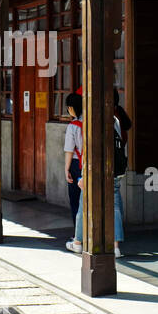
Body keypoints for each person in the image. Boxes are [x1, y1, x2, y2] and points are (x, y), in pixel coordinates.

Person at [68, 106, 125, 259]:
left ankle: (78, 242)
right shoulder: (115, 121)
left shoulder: (91, 123)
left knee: (83, 204)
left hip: (94, 173)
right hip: (113, 171)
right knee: (115, 207)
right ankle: (115, 246)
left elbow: (88, 151)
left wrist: (84, 176)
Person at [62, 93, 83, 235]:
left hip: (76, 165)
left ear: (71, 108)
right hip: (89, 164)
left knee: (76, 201)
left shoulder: (72, 126)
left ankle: (78, 235)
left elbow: (69, 150)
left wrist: (66, 169)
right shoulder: (89, 122)